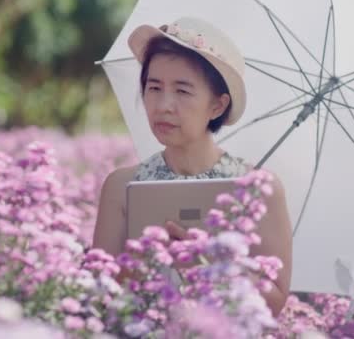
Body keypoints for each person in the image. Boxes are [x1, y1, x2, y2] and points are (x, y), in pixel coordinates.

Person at [92, 17, 292, 317]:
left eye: (182, 91)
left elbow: (274, 301)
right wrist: (142, 260)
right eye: (154, 87)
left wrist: (211, 264)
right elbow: (100, 291)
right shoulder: (122, 187)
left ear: (218, 106)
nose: (163, 105)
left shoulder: (257, 188)